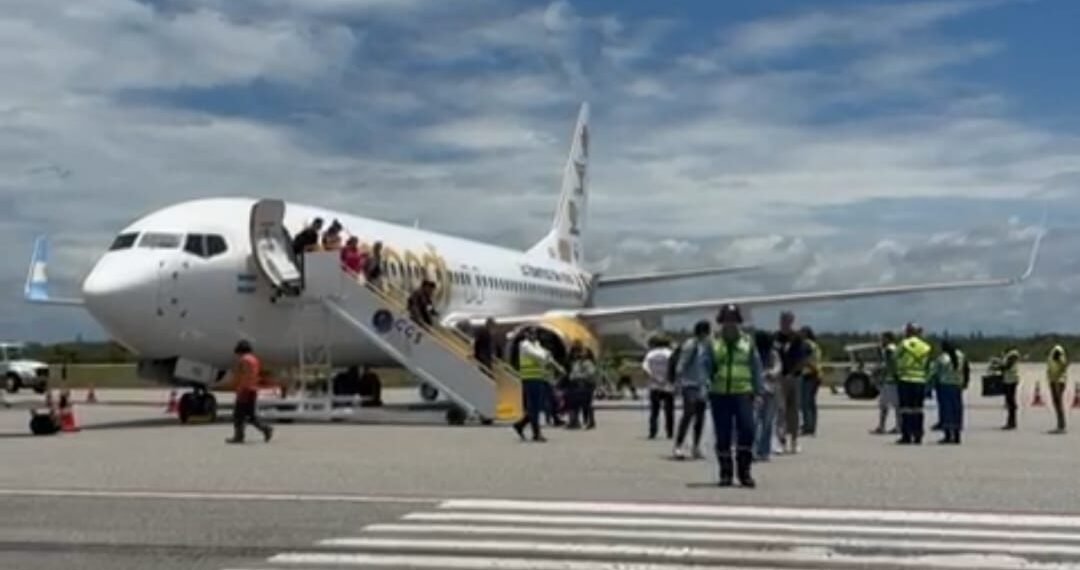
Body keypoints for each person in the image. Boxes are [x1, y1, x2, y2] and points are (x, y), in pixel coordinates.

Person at [707, 304, 763, 488]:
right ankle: (725, 473)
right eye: (726, 321)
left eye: (733, 320)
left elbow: (756, 369)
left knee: (747, 431)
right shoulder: (714, 343)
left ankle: (744, 472)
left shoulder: (747, 343)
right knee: (723, 434)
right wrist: (705, 386)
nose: (730, 324)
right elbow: (705, 367)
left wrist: (759, 391)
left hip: (743, 393)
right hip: (720, 394)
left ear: (739, 322)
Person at [512, 329, 563, 442]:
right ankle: (536, 433)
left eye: (535, 334)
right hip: (529, 379)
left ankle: (520, 425)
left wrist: (557, 367)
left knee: (537, 406)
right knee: (534, 407)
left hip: (538, 378)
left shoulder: (536, 345)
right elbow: (539, 356)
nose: (533, 335)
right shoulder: (525, 345)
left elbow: (547, 356)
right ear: (526, 335)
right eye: (531, 333)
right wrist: (546, 355)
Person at [673, 320, 712, 460]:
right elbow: (681, 364)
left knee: (700, 417)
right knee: (688, 414)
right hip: (689, 384)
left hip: (702, 385)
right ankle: (679, 445)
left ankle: (696, 447)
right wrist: (678, 383)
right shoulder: (691, 344)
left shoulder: (707, 346)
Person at [226, 340, 273, 445]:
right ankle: (266, 429)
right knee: (251, 415)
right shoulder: (255, 359)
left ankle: (239, 436)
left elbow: (239, 375)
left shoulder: (243, 360)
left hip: (244, 390)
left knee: (238, 415)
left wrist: (234, 385)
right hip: (253, 389)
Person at [773, 311, 807, 455]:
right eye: (782, 320)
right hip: (779, 378)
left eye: (787, 320)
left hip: (794, 378)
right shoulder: (775, 338)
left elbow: (802, 359)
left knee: (793, 410)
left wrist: (792, 374)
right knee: (780, 410)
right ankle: (781, 441)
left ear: (792, 321)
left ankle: (794, 440)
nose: (784, 323)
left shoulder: (797, 338)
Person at [895, 323, 932, 445]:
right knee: (918, 409)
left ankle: (906, 435)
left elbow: (895, 358)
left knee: (906, 409)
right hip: (920, 380)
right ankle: (918, 435)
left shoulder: (904, 344)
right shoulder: (925, 347)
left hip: (905, 379)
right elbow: (927, 365)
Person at [930, 339, 967, 444]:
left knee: (946, 410)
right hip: (957, 385)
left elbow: (934, 372)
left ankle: (947, 435)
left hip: (945, 385)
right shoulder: (961, 356)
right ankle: (957, 435)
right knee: (956, 409)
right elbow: (966, 369)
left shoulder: (942, 358)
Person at [754, 330, 782, 461]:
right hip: (761, 390)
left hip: (769, 391)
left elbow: (777, 367)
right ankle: (757, 449)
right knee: (759, 422)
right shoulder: (754, 354)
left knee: (766, 422)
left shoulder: (772, 354)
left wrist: (770, 372)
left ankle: (764, 450)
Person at [642, 336, 675, 440]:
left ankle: (653, 431)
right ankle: (669, 432)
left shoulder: (650, 354)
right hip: (668, 386)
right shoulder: (670, 354)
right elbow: (675, 368)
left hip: (654, 385)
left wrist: (654, 377)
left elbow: (645, 368)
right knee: (669, 411)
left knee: (654, 411)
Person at [871, 331, 900, 435]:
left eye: (882, 338)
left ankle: (886, 426)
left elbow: (889, 365)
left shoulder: (889, 350)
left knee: (888, 405)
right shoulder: (893, 349)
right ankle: (893, 426)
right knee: (890, 404)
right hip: (889, 381)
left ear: (888, 339)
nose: (881, 341)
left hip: (890, 381)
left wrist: (877, 372)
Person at [566, 342, 597, 429]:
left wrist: (578, 376)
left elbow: (590, 373)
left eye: (582, 352)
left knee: (586, 404)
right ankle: (575, 421)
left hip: (585, 385)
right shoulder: (577, 363)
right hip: (577, 385)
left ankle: (590, 421)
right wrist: (572, 377)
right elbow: (572, 373)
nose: (580, 354)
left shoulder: (588, 363)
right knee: (576, 403)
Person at [799, 326, 822, 436]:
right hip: (817, 374)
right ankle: (812, 425)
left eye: (801, 332)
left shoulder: (806, 344)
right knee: (812, 403)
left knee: (805, 402)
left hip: (809, 374)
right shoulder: (815, 345)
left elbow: (804, 358)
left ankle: (808, 426)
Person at [1047, 343, 1069, 434]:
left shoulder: (1057, 350)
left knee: (1058, 402)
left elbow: (1064, 364)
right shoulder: (1052, 352)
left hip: (1058, 381)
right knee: (1056, 402)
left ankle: (1061, 425)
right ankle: (1060, 424)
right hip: (1053, 380)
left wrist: (1059, 374)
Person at [1001, 346, 1022, 430]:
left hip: (1011, 380)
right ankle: (1011, 421)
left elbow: (1007, 366)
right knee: (1010, 401)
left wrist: (1000, 366)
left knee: (1010, 401)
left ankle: (1011, 422)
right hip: (1009, 379)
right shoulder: (1010, 356)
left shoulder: (1012, 355)